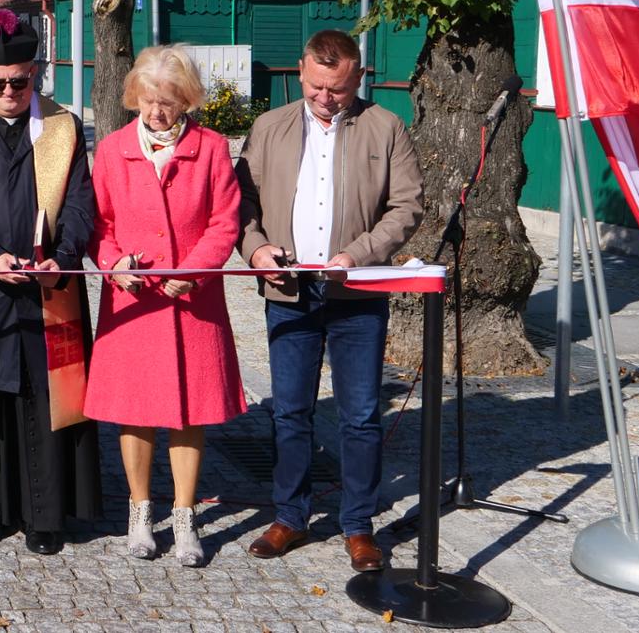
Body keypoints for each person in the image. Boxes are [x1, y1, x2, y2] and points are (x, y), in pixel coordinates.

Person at [236, 29, 422, 573]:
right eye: (316, 86)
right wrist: (255, 248)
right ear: (300, 71)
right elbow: (240, 202)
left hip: (356, 292)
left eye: (337, 90)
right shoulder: (269, 127)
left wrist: (361, 252)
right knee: (290, 411)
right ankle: (290, 516)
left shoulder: (385, 128)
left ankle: (358, 525)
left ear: (357, 78)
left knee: (360, 416)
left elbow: (407, 205)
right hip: (288, 291)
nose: (324, 98)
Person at [0, 10, 101, 556]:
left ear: (36, 73)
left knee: (46, 391)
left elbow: (81, 201)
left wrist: (65, 254)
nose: (9, 92)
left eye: (20, 81)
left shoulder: (64, 127)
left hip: (50, 284)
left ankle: (47, 515)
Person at [84, 45, 246, 565]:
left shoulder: (213, 148)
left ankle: (185, 516)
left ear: (187, 101)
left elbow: (225, 221)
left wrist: (192, 271)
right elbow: (100, 226)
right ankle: (139, 511)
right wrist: (113, 265)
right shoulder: (111, 150)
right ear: (135, 97)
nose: (158, 111)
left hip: (192, 302)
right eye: (150, 100)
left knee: (187, 412)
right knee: (133, 411)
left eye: (169, 101)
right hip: (134, 302)